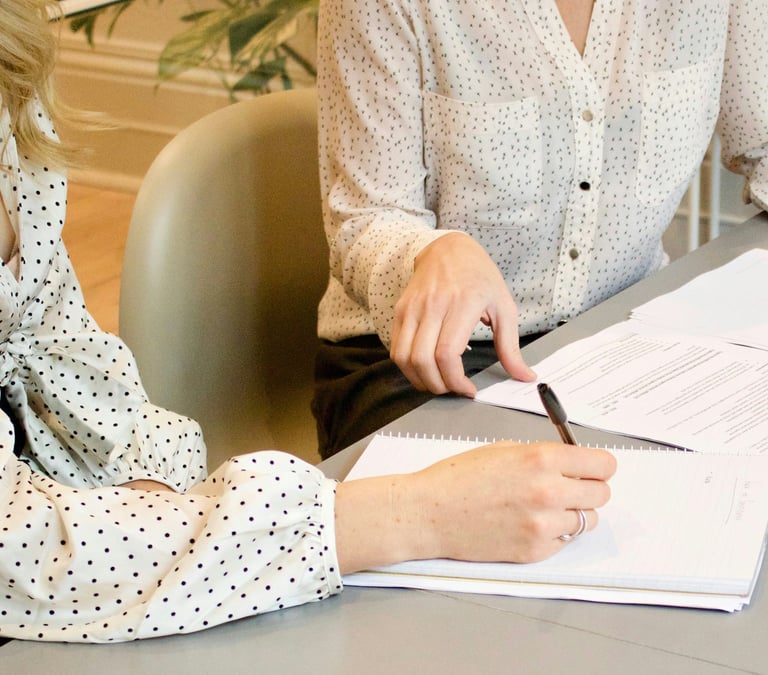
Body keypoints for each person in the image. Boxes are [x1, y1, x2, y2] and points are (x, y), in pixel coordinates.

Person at [0, 0, 615, 643]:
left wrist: (152, 495)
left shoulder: (18, 85)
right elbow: (21, 553)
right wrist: (418, 514)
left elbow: (62, 350)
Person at [312, 0, 768, 458]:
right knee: (550, 516)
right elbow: (364, 218)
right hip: (429, 360)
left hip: (626, 337)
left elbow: (763, 142)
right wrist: (432, 252)